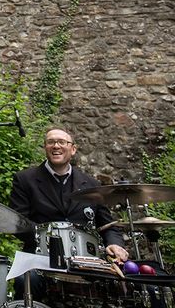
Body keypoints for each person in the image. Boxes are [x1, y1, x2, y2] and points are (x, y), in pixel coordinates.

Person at [9, 127, 128, 301]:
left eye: (62, 142)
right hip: (40, 258)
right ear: (45, 148)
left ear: (73, 149)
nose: (56, 146)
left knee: (121, 286)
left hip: (86, 262)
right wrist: (53, 238)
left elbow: (108, 225)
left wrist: (115, 244)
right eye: (51, 142)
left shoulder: (91, 184)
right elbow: (18, 222)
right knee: (25, 280)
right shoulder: (25, 180)